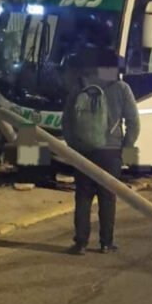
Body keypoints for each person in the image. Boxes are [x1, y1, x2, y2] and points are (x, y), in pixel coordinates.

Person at [61, 47, 140, 255]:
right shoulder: (122, 88)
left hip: (83, 151)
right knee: (107, 197)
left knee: (83, 196)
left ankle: (80, 243)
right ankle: (106, 242)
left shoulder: (80, 86)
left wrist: (73, 147)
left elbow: (66, 121)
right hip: (111, 152)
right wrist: (127, 148)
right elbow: (134, 123)